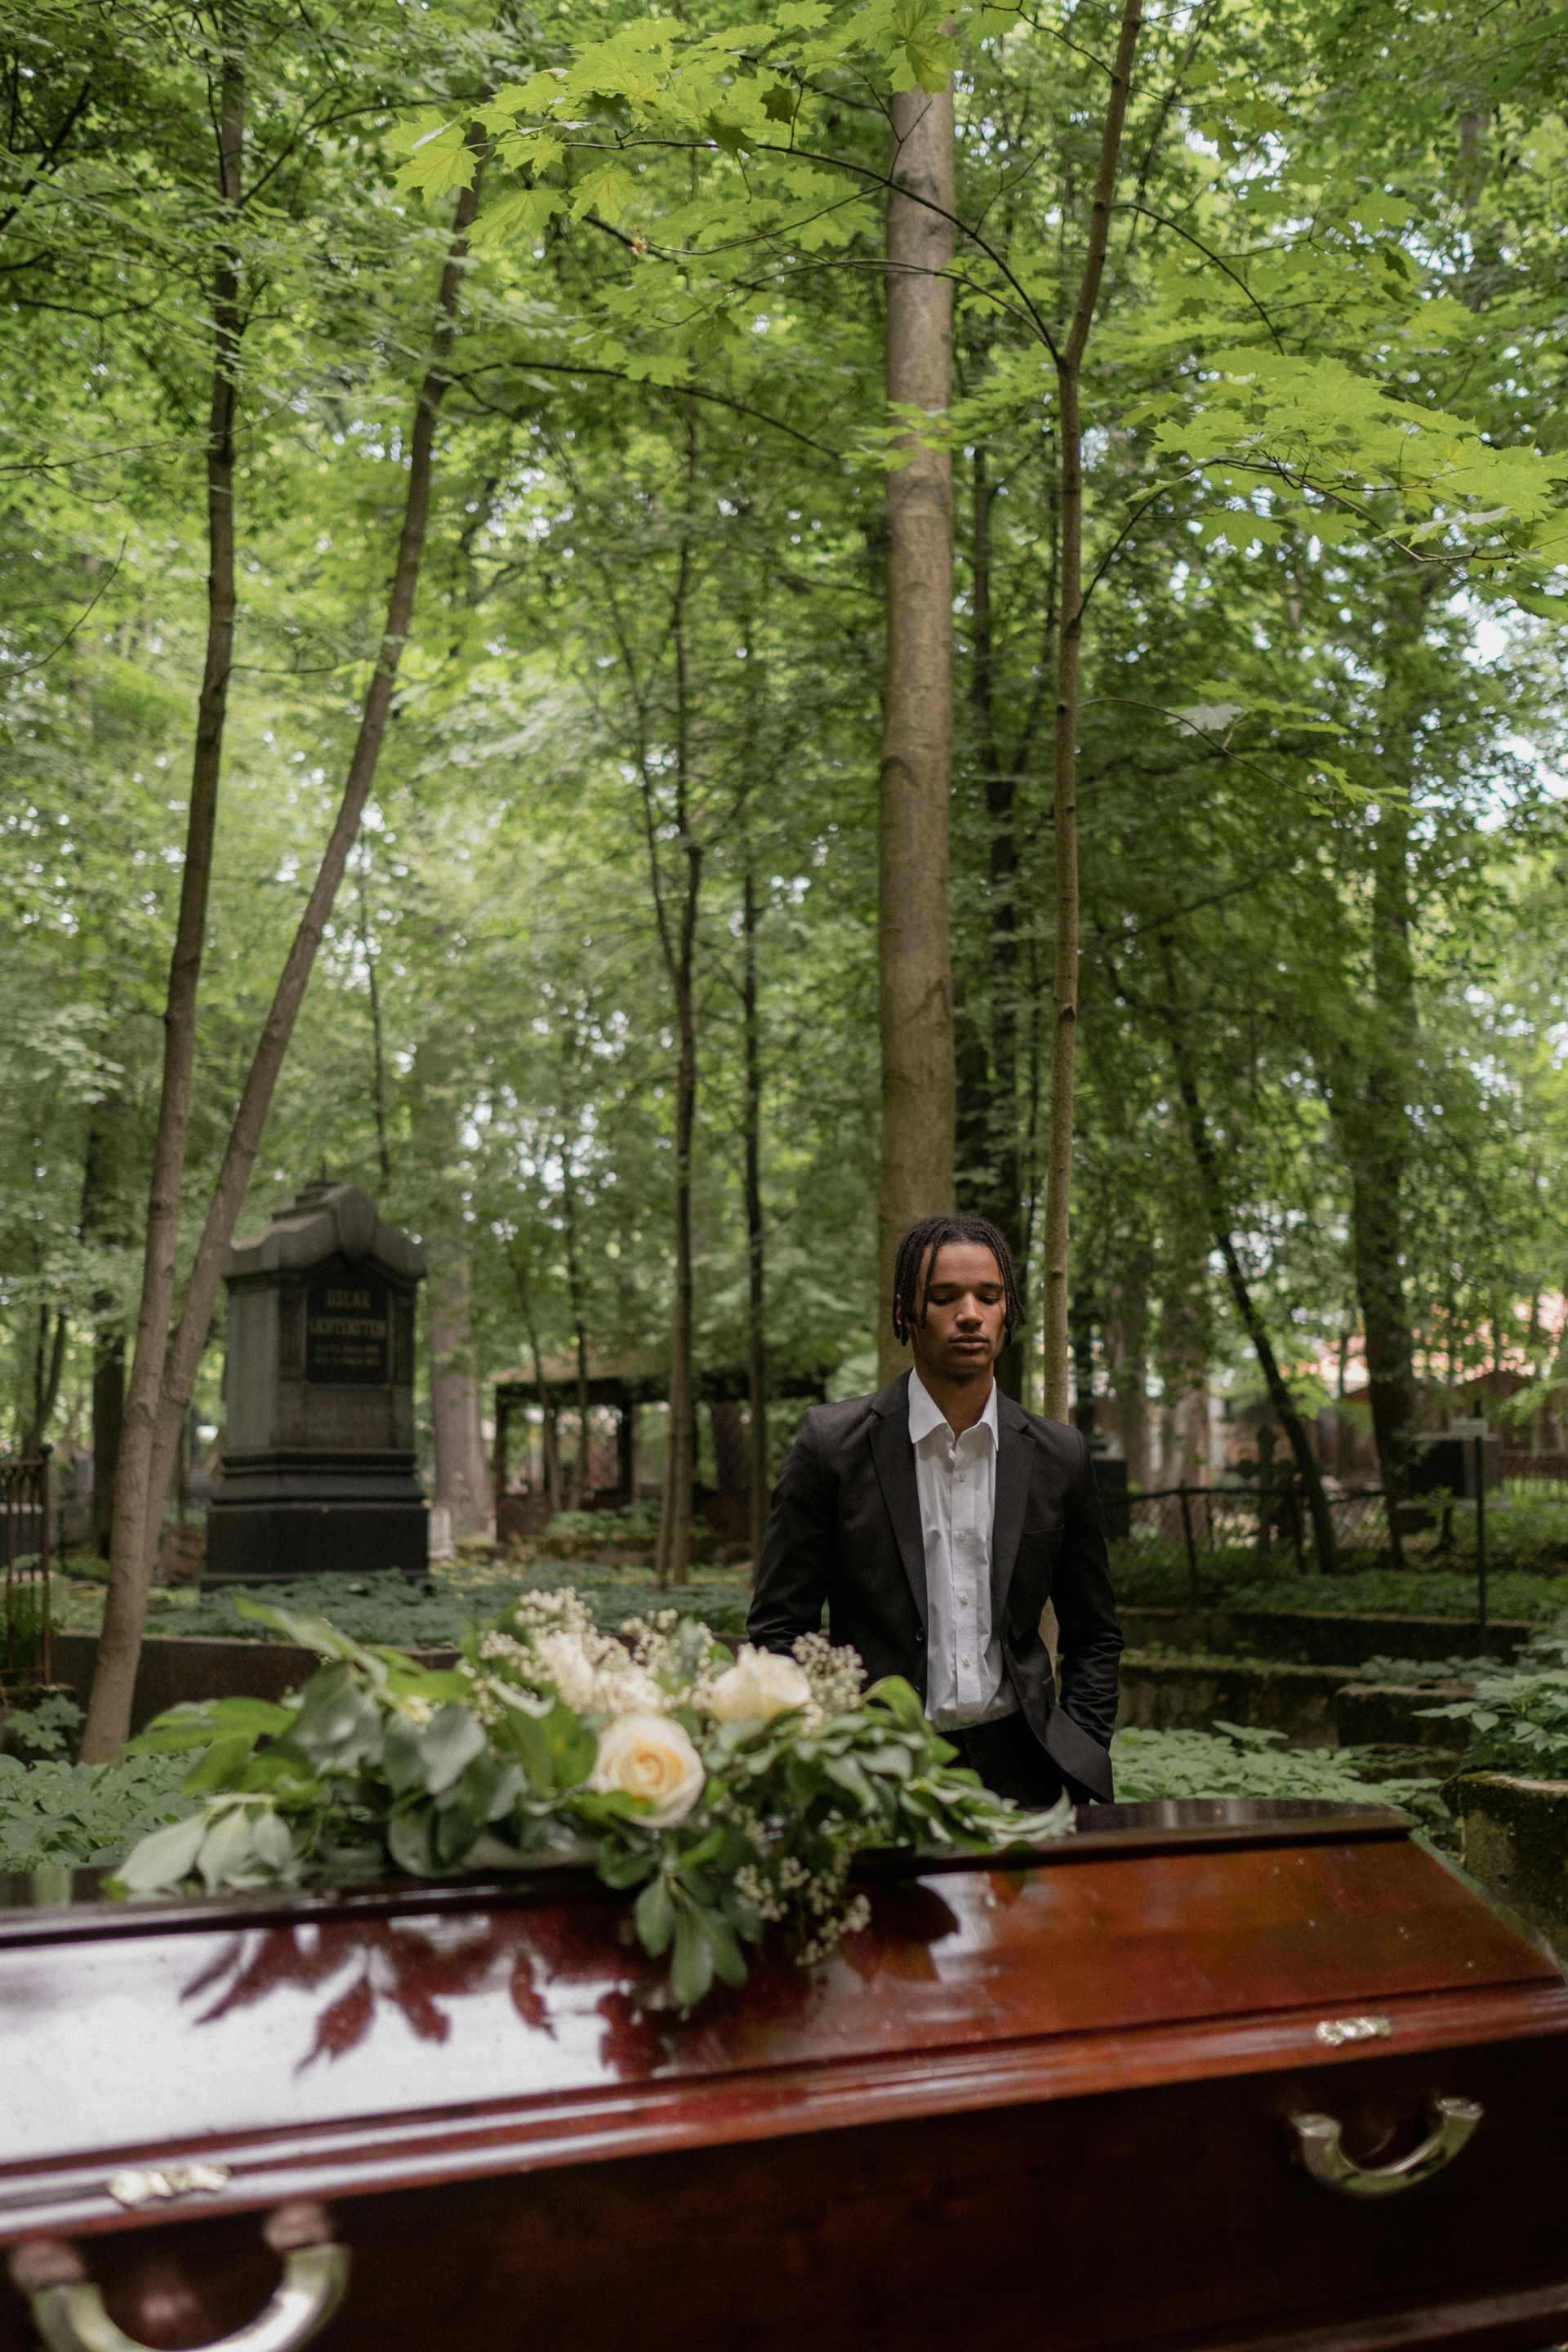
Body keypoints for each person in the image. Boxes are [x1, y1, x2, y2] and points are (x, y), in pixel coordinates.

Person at [748, 1214, 1123, 1807]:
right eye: (944, 1297)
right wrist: (829, 1748)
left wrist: (1080, 1743)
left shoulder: (1060, 1455)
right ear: (906, 1312)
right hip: (878, 1768)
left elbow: (1095, 1634)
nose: (970, 1314)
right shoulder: (831, 1447)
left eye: (989, 1296)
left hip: (1025, 1769)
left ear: (1009, 1310)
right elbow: (778, 1628)